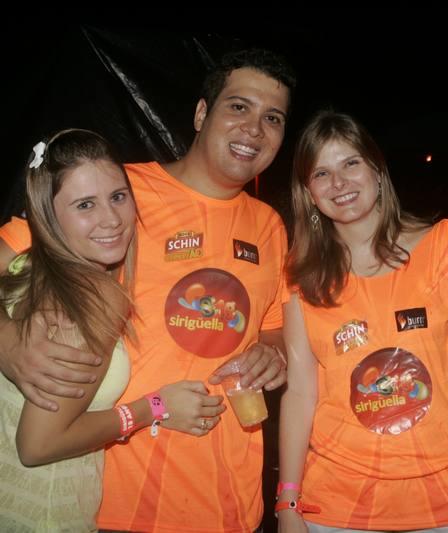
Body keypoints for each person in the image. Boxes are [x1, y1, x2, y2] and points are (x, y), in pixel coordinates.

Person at [0, 49, 295, 532]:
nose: (255, 129)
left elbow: (272, 328)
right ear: (201, 114)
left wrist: (273, 352)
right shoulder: (115, 196)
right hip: (121, 502)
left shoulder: (269, 227)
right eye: (239, 107)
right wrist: (8, 343)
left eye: (273, 118)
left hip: (232, 505)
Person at [277, 110, 448, 533]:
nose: (339, 183)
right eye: (321, 173)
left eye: (351, 163)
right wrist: (287, 500)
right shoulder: (301, 273)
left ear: (376, 170)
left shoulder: (443, 246)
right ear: (308, 193)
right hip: (335, 503)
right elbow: (299, 393)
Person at [0, 129, 222, 531]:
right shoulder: (97, 294)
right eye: (85, 204)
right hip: (43, 514)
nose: (112, 219)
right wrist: (152, 408)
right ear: (47, 215)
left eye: (118, 197)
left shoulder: (23, 265)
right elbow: (38, 445)